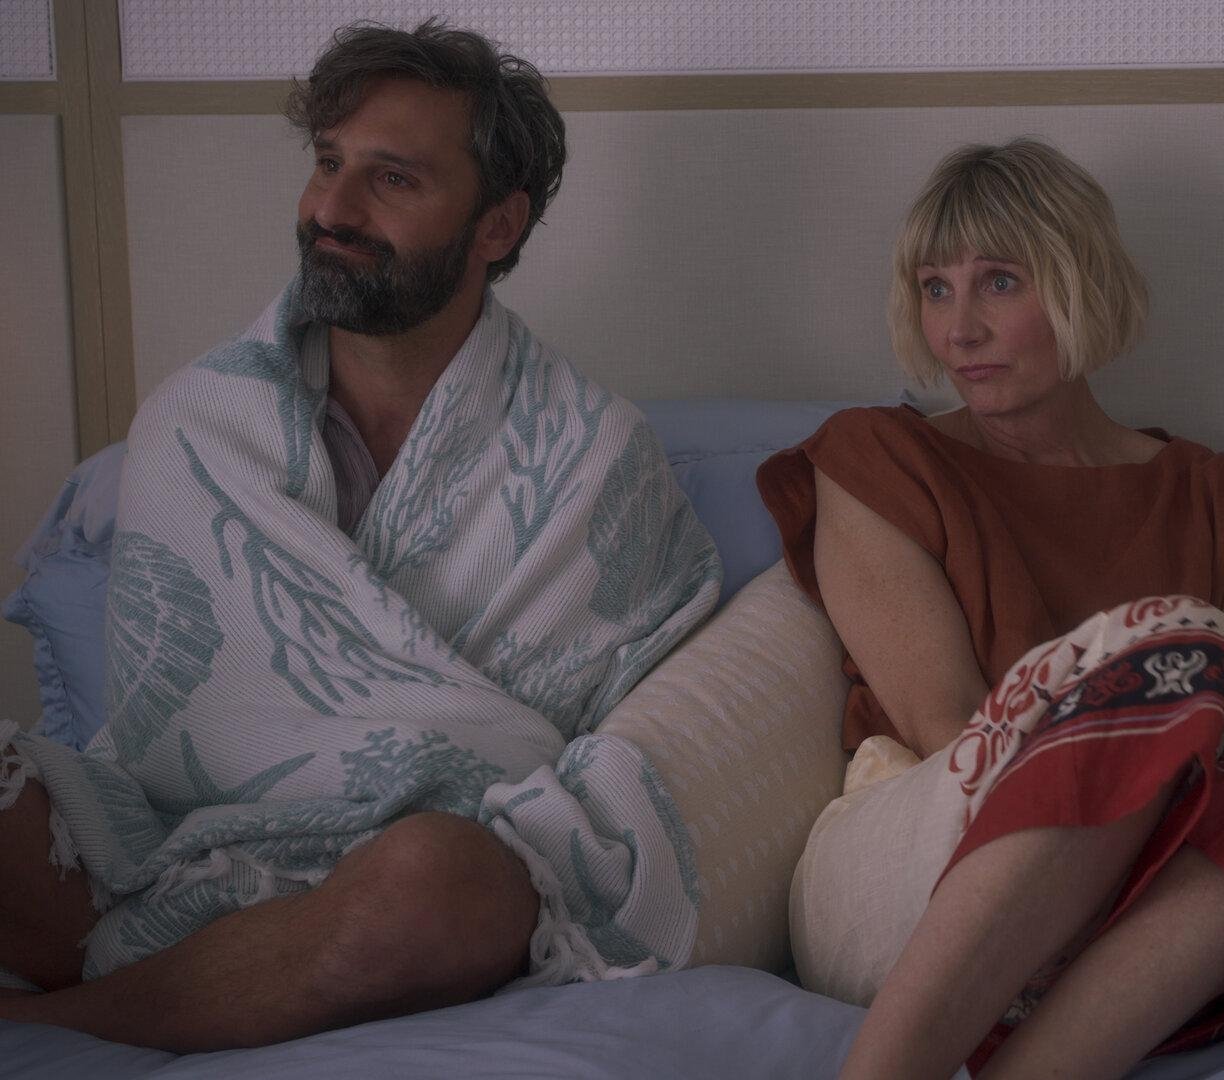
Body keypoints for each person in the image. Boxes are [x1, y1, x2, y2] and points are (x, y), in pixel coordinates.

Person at [0, 21, 720, 1051]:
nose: (331, 211)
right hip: (158, 841)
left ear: (497, 225)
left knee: (445, 880)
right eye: (328, 163)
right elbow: (169, 724)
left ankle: (63, 1021)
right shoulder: (198, 421)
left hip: (400, 880)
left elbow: (589, 757)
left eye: (392, 179)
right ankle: (204, 982)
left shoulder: (595, 457)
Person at [757, 138, 1224, 1080]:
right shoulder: (878, 455)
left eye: (999, 282)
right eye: (935, 288)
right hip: (918, 858)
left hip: (1155, 888)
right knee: (1180, 650)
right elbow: (947, 727)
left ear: (1083, 283)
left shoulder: (1222, 494)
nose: (959, 330)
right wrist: (1142, 693)